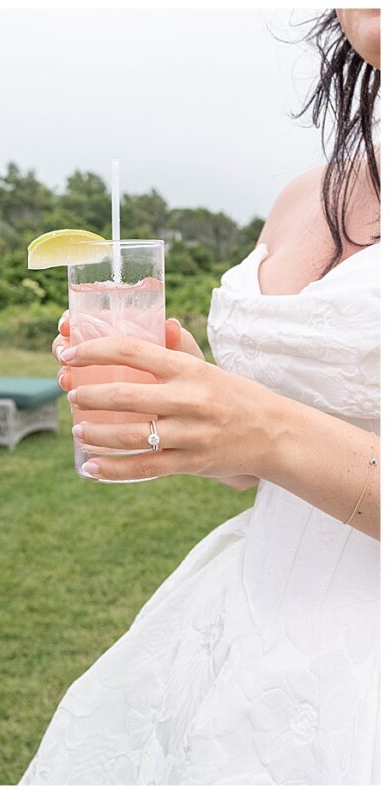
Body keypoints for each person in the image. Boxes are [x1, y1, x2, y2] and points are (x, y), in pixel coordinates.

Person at [22, 8, 379, 785]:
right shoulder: (305, 198)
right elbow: (257, 473)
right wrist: (187, 409)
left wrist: (264, 428)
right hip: (235, 626)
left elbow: (274, 438)